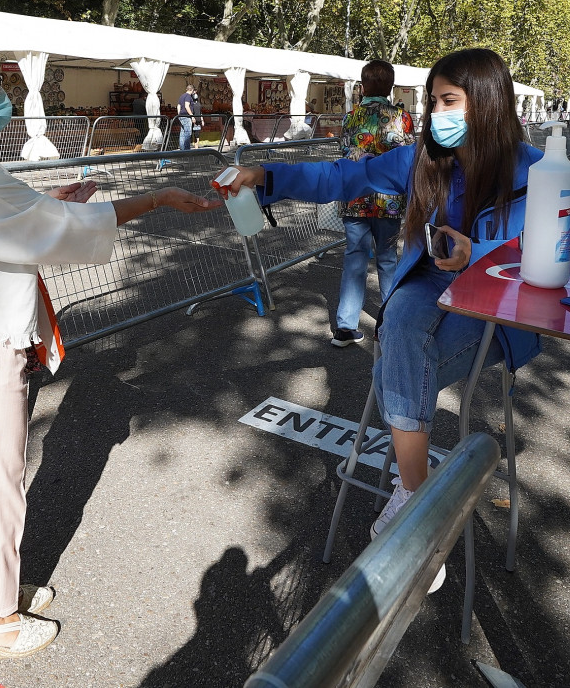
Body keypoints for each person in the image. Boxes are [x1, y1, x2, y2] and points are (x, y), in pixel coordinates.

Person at [0, 28, 220, 664]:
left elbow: (12, 221)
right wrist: (154, 198)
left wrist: (48, 202)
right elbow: (40, 232)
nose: (1, 99)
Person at [222, 48, 543, 592]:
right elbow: (343, 176)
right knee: (398, 330)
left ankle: (407, 493)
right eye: (432, 101)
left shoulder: (538, 169)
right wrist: (263, 175)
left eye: (448, 101)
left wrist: (481, 251)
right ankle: (416, 498)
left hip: (495, 302)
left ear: (486, 105)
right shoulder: (423, 159)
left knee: (397, 355)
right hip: (428, 282)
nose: (436, 112)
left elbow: (548, 254)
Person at [331, 59, 416, 347]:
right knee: (388, 259)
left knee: (354, 259)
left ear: (363, 85)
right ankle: (391, 322)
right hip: (388, 201)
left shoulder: (349, 118)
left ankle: (345, 326)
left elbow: (344, 156)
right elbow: (409, 160)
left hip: (354, 198)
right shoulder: (401, 119)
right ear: (391, 87)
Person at [178, 84, 198, 150]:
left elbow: (178, 106)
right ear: (192, 90)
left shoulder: (181, 96)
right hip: (186, 116)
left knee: (182, 133)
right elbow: (187, 106)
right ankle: (187, 150)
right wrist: (192, 116)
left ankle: (182, 148)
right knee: (188, 133)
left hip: (181, 116)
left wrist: (179, 114)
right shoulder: (188, 96)